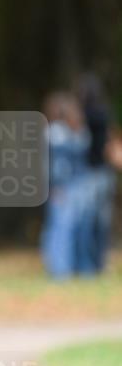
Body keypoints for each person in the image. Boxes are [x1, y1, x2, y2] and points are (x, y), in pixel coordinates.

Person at [40, 91, 91, 278]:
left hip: (72, 186)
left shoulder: (69, 132)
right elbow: (54, 165)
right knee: (60, 228)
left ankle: (66, 268)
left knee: (67, 228)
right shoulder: (55, 133)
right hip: (61, 188)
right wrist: (54, 186)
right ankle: (59, 270)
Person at [76, 73, 117, 273]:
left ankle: (89, 264)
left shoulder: (83, 115)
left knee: (89, 220)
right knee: (101, 221)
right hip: (103, 172)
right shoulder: (103, 113)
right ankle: (98, 263)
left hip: (89, 173)